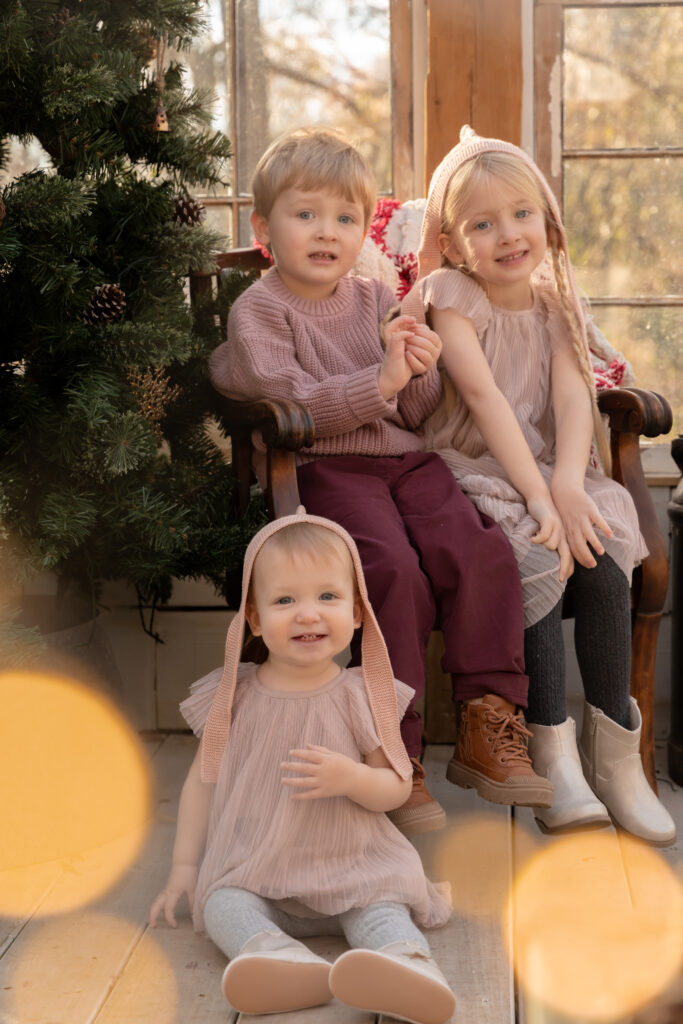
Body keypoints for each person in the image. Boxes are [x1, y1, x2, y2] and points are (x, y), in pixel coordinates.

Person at [209, 126, 554, 837]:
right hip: (324, 467)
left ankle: (488, 720)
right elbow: (293, 405)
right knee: (391, 571)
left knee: (482, 550)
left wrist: (418, 364)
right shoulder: (259, 312)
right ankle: (390, 747)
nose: (325, 233)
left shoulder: (372, 300)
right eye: (305, 215)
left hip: (408, 462)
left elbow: (414, 411)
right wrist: (382, 380)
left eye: (344, 218)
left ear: (362, 229)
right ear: (264, 226)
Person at [401, 124, 675, 846]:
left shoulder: (555, 300)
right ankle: (551, 752)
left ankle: (616, 759)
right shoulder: (450, 296)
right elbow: (486, 402)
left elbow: (569, 398)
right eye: (482, 224)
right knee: (536, 552)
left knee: (600, 544)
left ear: (546, 221)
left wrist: (566, 484)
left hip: (554, 471)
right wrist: (535, 495)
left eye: (521, 215)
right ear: (455, 243)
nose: (507, 235)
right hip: (479, 471)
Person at [149, 512, 456, 1024]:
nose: (307, 615)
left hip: (354, 870)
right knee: (223, 903)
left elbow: (396, 787)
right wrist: (185, 869)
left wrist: (353, 778)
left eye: (327, 597)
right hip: (260, 872)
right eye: (285, 600)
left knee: (381, 910)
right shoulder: (234, 697)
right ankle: (275, 958)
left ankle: (408, 966)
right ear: (253, 619)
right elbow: (202, 785)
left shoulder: (361, 695)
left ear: (358, 612)